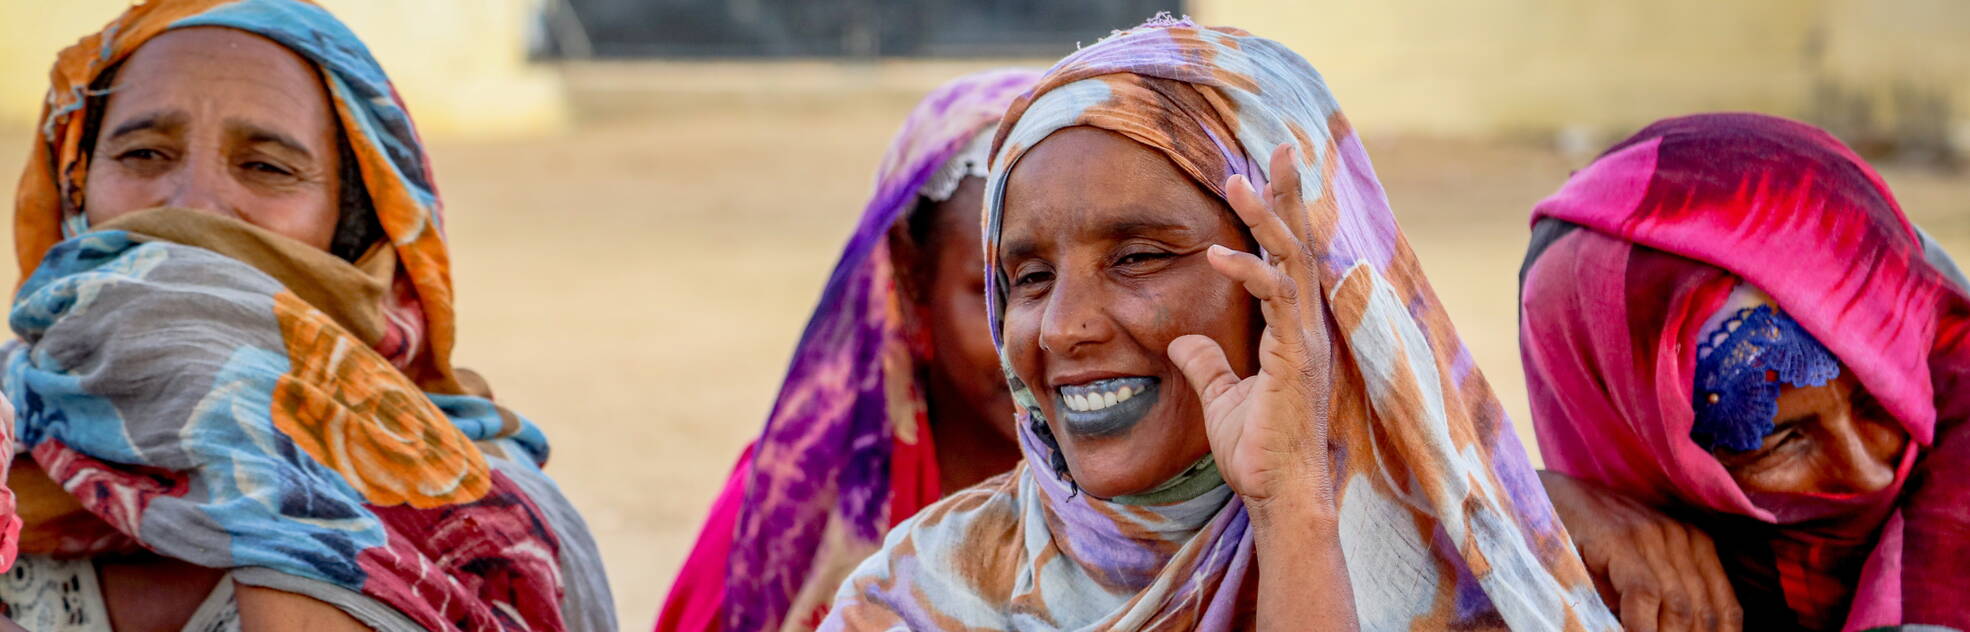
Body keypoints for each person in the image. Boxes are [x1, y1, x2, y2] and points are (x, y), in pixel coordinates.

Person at [820, 17, 1615, 631]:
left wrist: (1293, 506)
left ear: (1306, 275)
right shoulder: (923, 595)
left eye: (1137, 257)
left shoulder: (1485, 580)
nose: (1061, 329)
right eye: (1028, 277)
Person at [1, 1, 613, 629]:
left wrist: (266, 464)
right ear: (75, 189)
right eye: (143, 154)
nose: (194, 207)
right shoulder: (8, 436)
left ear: (357, 233)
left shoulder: (481, 521)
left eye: (267, 167)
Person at [1520, 112, 1970, 631]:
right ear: (1637, 449)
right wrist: (1526, 514)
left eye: (1879, 399)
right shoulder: (1595, 574)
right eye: (1779, 441)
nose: (1868, 472)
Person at [654, 68, 1041, 632]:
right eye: (1000, 290)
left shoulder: (1171, 496)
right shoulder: (793, 515)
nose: (1049, 335)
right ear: (911, 277)